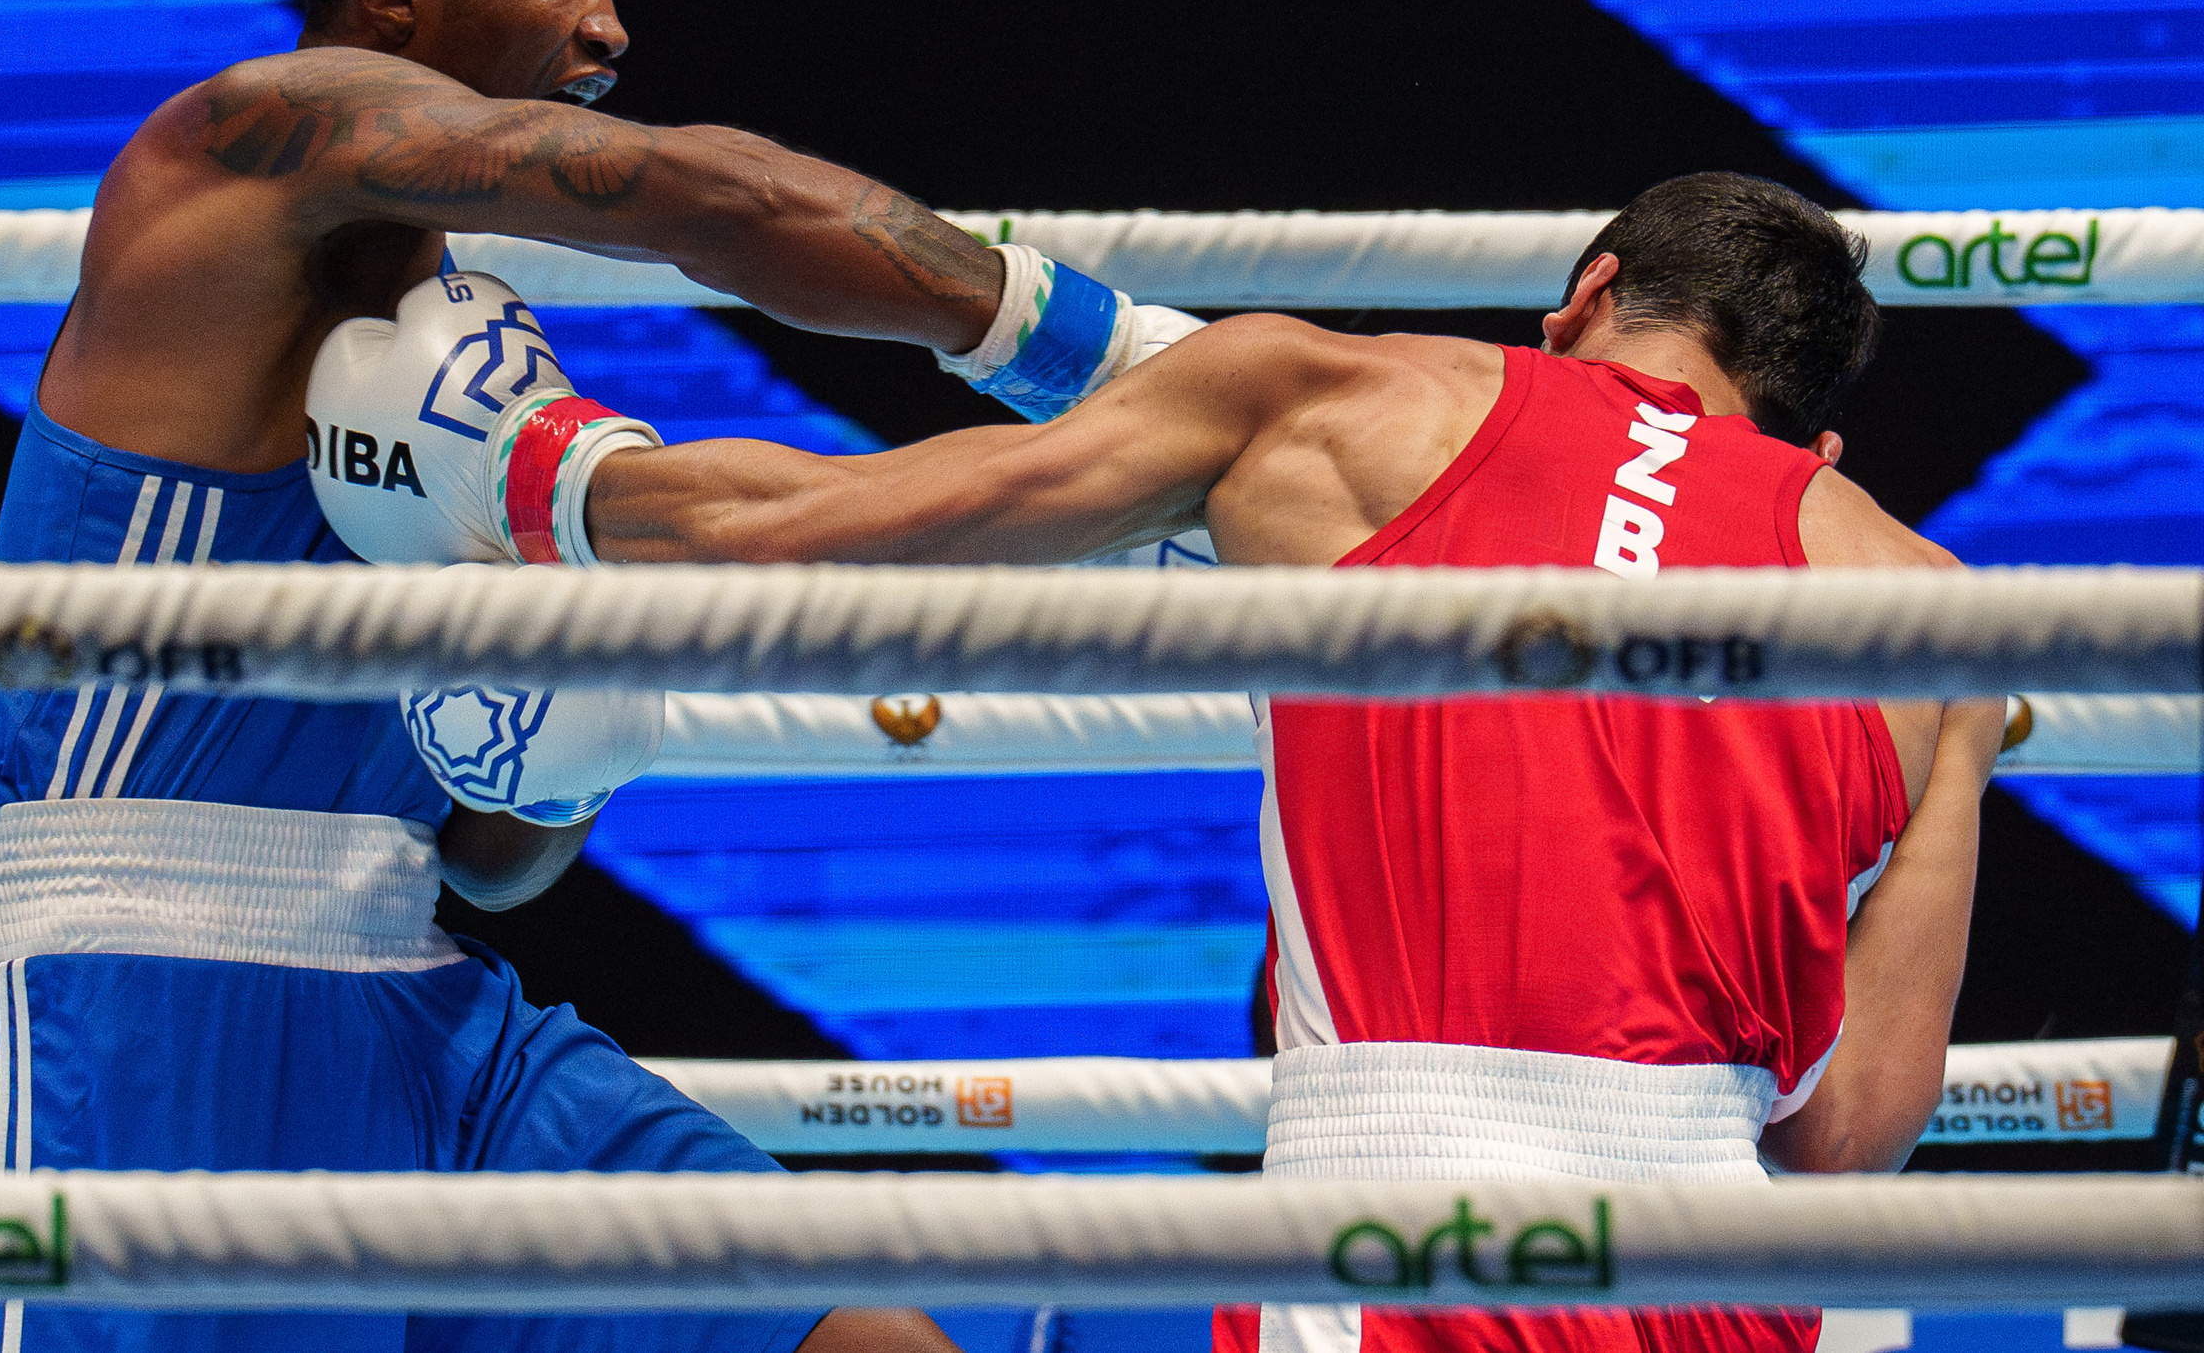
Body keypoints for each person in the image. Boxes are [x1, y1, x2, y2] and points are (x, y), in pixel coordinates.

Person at [314, 171, 2001, 1353]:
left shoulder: (1350, 402)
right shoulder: (1921, 604)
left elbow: (831, 530)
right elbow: (1848, 1134)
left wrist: (525, 467)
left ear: (1584, 297)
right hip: (1717, 1276)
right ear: (1815, 440)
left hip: (1396, 1231)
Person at [0, 0, 1178, 1353]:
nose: (608, 30)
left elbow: (487, 859)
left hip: (425, 998)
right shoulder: (245, 141)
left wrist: (555, 750)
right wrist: (1096, 353)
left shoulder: (454, 363)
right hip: (147, 990)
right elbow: (697, 197)